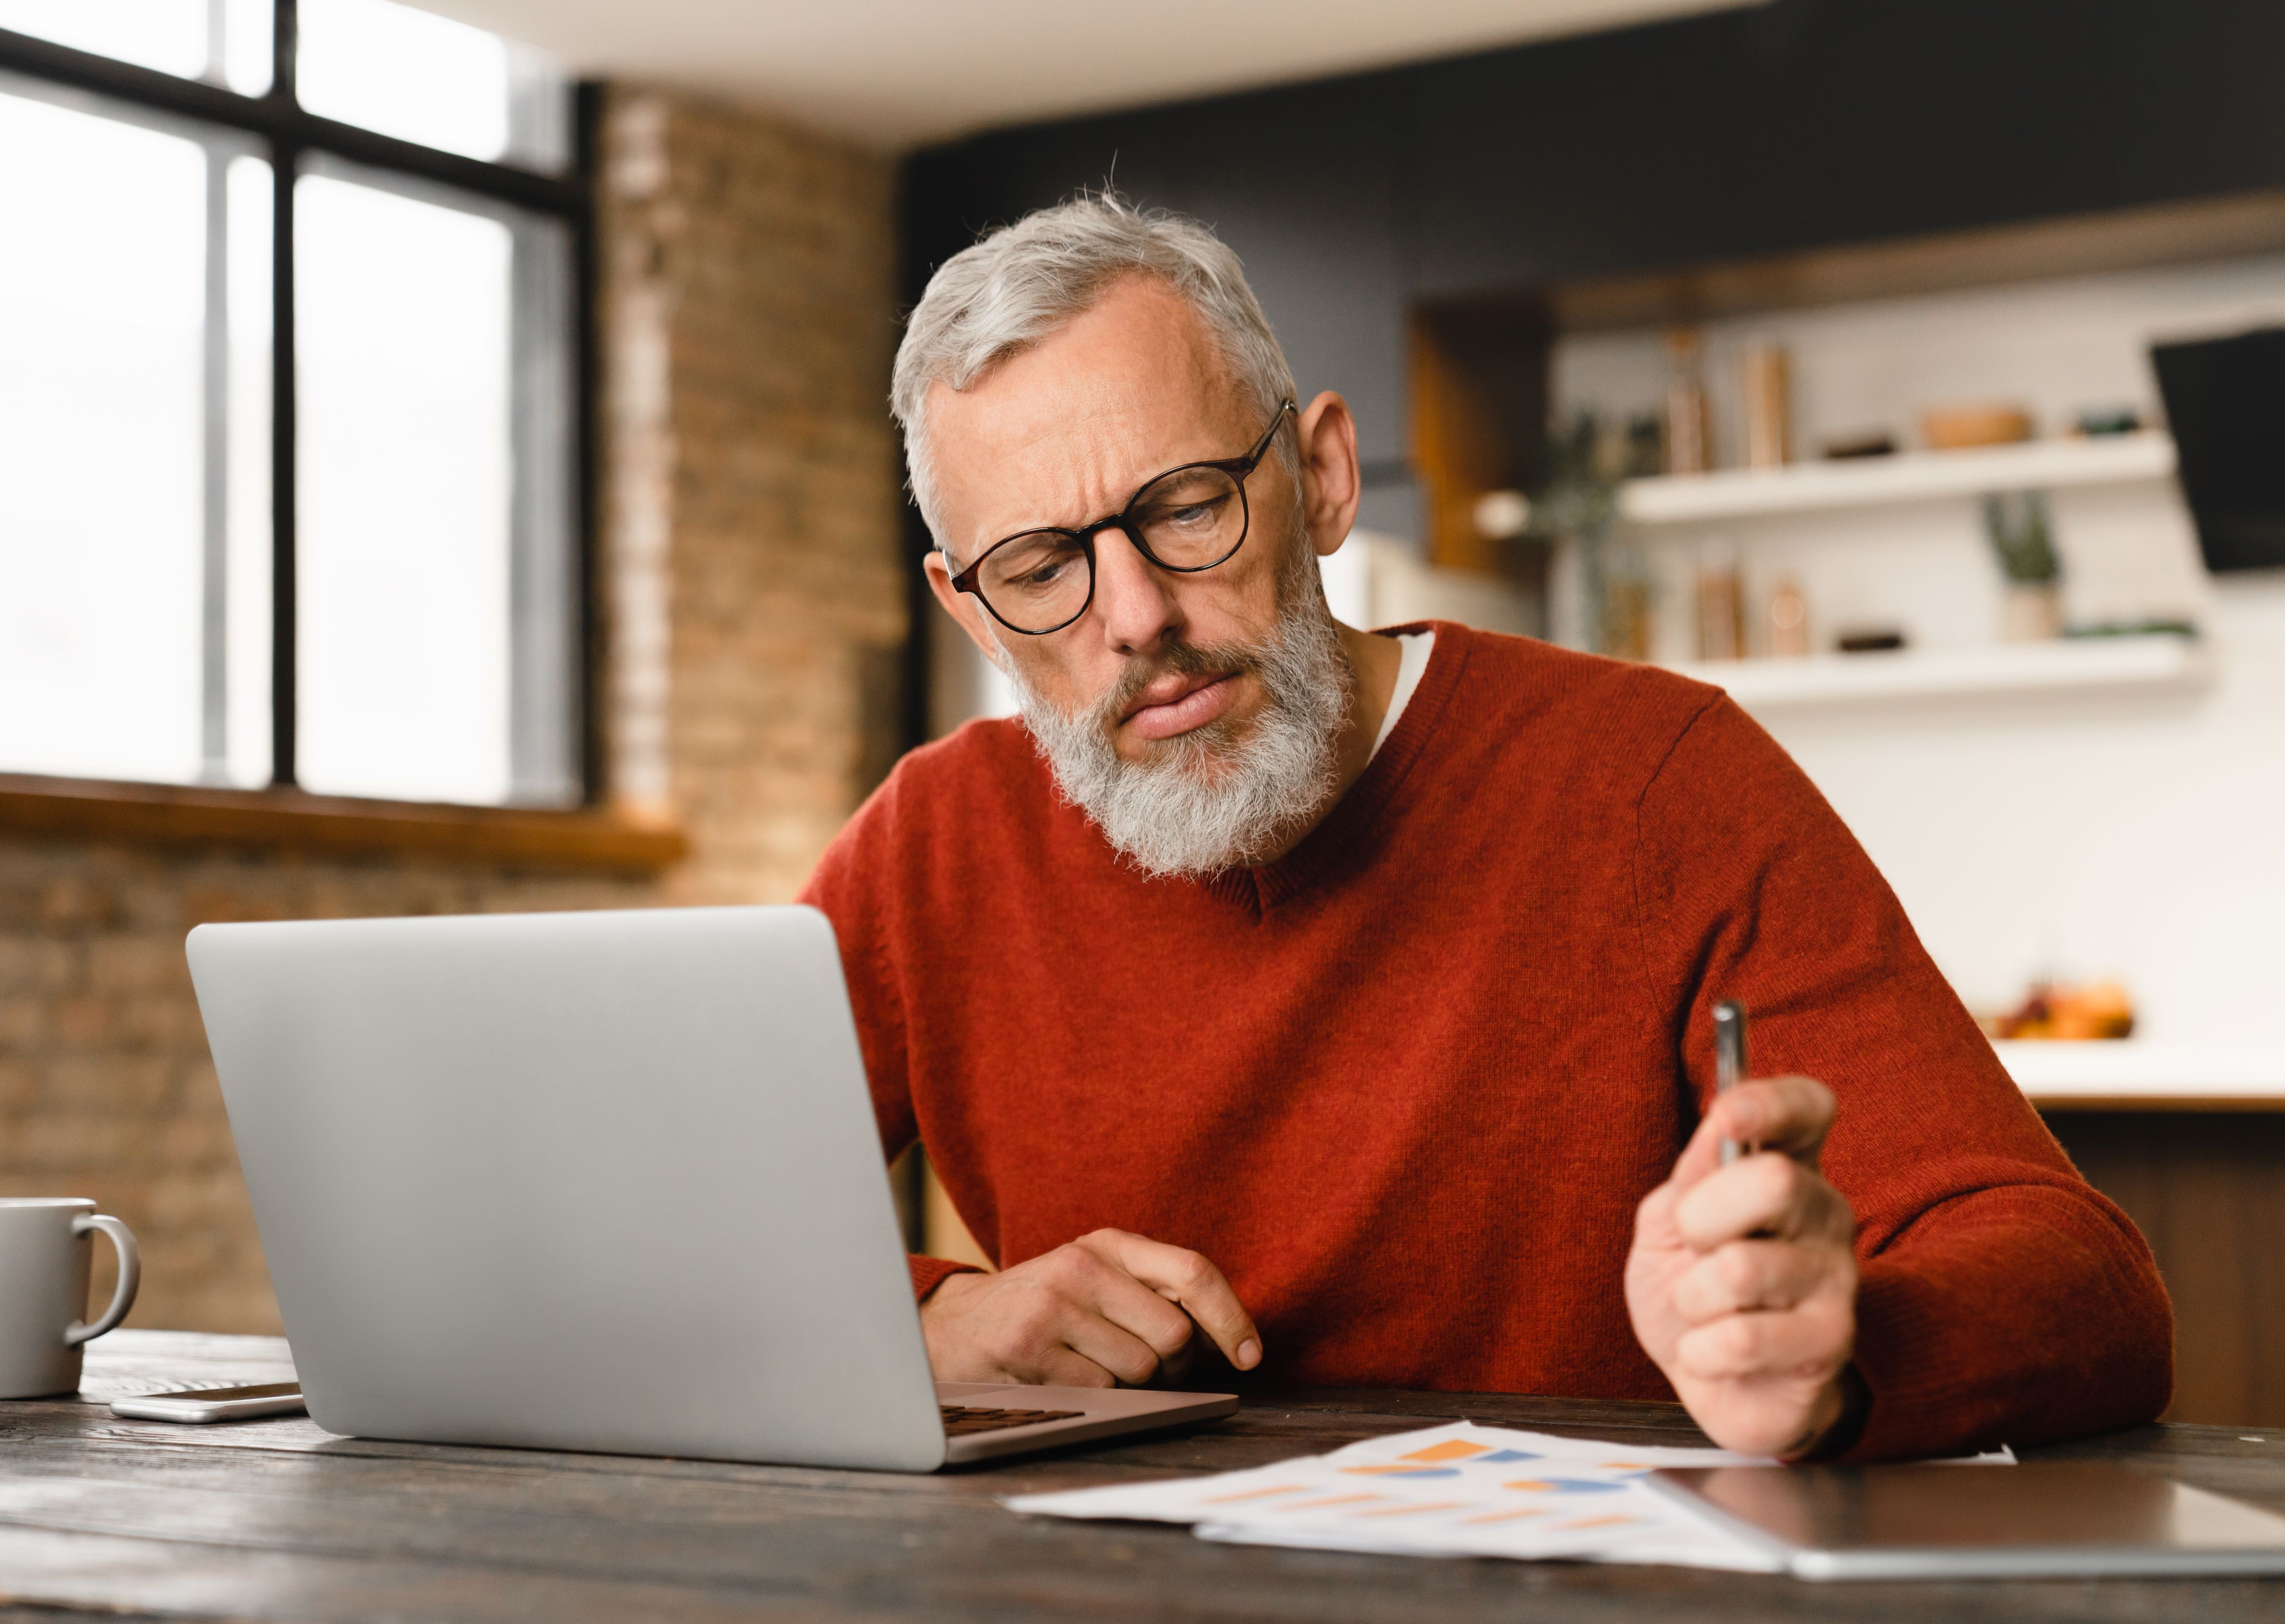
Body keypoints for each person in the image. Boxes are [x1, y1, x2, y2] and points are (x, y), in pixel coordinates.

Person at [800, 194, 2171, 1462]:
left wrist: (1840, 1349)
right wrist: (922, 1321)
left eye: (1188, 509)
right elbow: (646, 1238)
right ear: (971, 607)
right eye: (1041, 569)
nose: (1136, 616)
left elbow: (2084, 1278)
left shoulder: (1658, 777)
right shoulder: (935, 838)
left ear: (1326, 476)